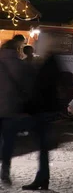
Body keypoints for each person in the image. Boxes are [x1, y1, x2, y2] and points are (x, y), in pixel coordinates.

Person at [22, 52, 60, 190]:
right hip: (45, 112)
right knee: (43, 149)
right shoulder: (52, 65)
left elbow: (39, 92)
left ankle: (42, 179)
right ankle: (43, 179)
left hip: (42, 112)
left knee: (43, 149)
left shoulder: (47, 66)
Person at [0, 39, 33, 186]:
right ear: (17, 50)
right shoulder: (21, 65)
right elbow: (28, 89)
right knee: (8, 142)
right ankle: (5, 171)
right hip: (11, 110)